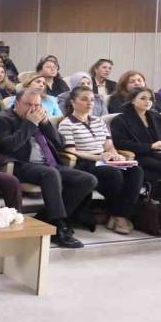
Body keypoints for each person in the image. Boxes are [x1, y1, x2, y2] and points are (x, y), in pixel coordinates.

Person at [0, 88, 97, 248]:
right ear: (16, 103)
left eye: (37, 105)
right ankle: (59, 226)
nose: (34, 109)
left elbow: (61, 144)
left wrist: (46, 123)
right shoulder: (2, 119)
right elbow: (9, 146)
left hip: (49, 164)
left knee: (88, 180)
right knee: (51, 174)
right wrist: (30, 123)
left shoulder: (41, 118)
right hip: (20, 164)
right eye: (28, 104)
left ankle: (46, 219)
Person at [58, 86, 144, 235]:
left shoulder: (98, 121)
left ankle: (120, 215)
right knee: (113, 174)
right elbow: (71, 151)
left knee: (136, 171)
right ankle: (118, 215)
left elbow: (108, 145)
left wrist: (115, 155)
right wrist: (99, 157)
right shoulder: (66, 123)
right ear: (73, 102)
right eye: (84, 99)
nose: (89, 103)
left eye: (92, 100)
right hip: (84, 162)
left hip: (104, 159)